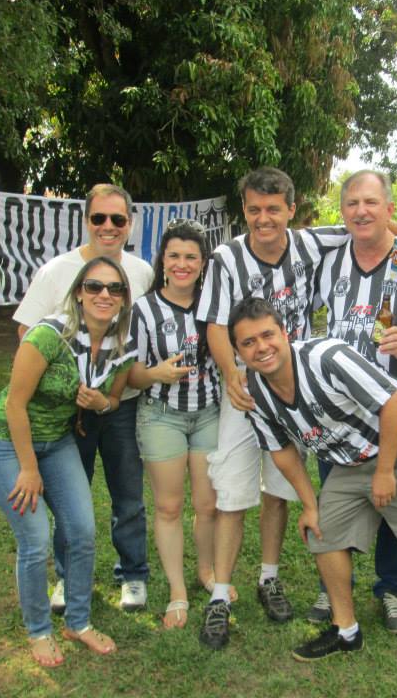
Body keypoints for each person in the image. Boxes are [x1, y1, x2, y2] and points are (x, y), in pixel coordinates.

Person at [195, 166, 397, 649]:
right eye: (254, 210)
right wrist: (232, 373)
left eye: (273, 209)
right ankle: (220, 595)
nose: (264, 219)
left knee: (281, 488)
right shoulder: (226, 258)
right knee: (233, 492)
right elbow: (216, 323)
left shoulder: (310, 242)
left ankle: (269, 577)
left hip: (296, 389)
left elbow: (367, 221)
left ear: (291, 210)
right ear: (244, 211)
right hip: (246, 387)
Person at [228, 298, 397, 698]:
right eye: (248, 343)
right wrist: (310, 505)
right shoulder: (254, 392)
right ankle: (346, 630)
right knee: (322, 530)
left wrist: (385, 472)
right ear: (237, 351)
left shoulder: (327, 357)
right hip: (350, 460)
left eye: (267, 335)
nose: (261, 347)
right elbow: (281, 450)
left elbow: (393, 403)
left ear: (285, 333)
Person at [311, 169, 397, 632]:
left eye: (371, 202)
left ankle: (394, 588)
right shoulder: (329, 260)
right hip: (340, 414)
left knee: (396, 504)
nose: (361, 211)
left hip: (396, 409)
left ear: (389, 209)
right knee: (336, 501)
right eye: (352, 203)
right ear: (342, 211)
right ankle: (333, 586)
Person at [0, 257, 135, 667]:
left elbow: (113, 400)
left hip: (58, 441)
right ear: (79, 292)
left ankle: (78, 623)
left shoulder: (122, 345)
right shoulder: (48, 335)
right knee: (35, 538)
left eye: (114, 288)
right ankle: (39, 630)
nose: (104, 294)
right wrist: (29, 469)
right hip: (5, 442)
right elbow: (14, 405)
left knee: (81, 530)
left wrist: (100, 404)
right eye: (94, 286)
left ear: (123, 298)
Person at [13, 184, 154, 613]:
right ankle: (67, 577)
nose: (108, 226)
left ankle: (132, 575)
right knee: (68, 499)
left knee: (128, 495)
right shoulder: (57, 270)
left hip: (121, 403)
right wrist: (63, 385)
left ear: (130, 224)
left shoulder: (142, 272)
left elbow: (138, 337)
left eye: (118, 219)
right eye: (99, 218)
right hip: (68, 410)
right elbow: (27, 332)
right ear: (86, 220)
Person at [128, 220, 228, 629]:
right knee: (169, 506)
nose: (182, 264)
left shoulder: (215, 306)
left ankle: (206, 571)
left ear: (203, 263)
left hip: (209, 414)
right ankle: (177, 591)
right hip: (161, 415)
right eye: (174, 256)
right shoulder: (144, 309)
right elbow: (130, 374)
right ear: (163, 261)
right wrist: (156, 373)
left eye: (191, 257)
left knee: (207, 505)